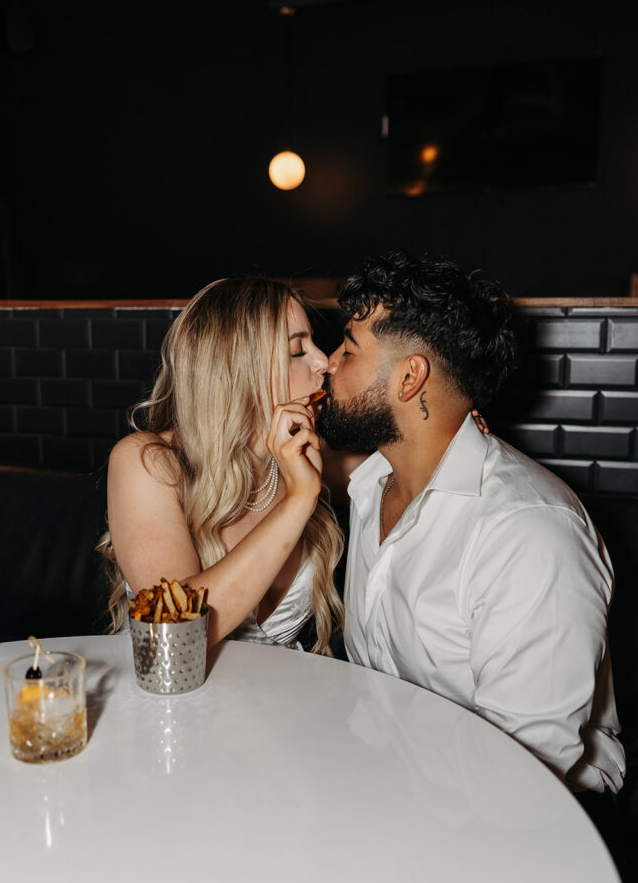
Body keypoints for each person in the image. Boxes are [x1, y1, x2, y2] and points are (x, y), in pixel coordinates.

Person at [317, 251, 625, 799]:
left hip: (539, 825)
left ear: (411, 377)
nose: (327, 364)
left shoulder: (528, 534)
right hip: (395, 791)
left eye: (348, 348)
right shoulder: (372, 486)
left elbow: (523, 783)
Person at [97, 276, 344, 654]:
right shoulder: (147, 463)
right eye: (297, 352)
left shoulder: (308, 455)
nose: (323, 361)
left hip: (282, 704)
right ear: (238, 370)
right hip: (167, 704)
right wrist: (299, 499)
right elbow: (173, 631)